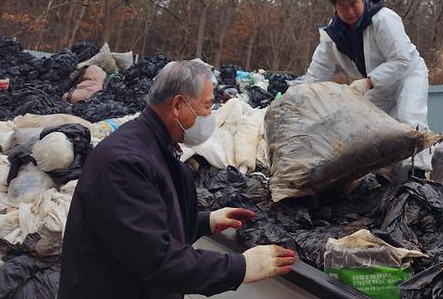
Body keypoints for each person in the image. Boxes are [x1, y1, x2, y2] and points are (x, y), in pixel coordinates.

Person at [58, 60, 295, 299]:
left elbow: (148, 222)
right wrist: (240, 267)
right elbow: (156, 258)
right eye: (207, 106)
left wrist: (205, 222)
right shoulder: (124, 164)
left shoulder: (156, 146)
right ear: (178, 105)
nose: (210, 115)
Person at [302, 0, 433, 171]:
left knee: (409, 119)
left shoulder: (384, 19)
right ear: (335, 8)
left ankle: (418, 173)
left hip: (407, 75)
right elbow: (318, 69)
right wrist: (303, 98)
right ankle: (382, 173)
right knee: (362, 126)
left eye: (353, 3)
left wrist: (368, 82)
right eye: (343, 6)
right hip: (376, 85)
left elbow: (400, 59)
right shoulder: (333, 33)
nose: (350, 11)